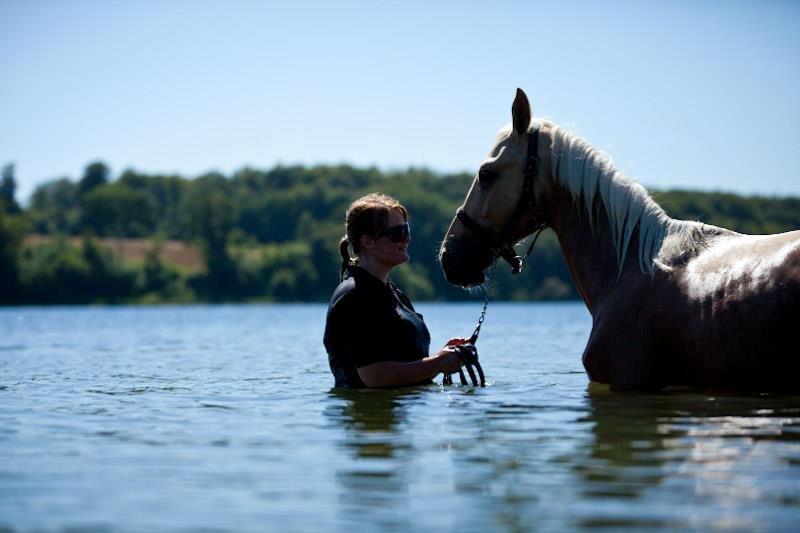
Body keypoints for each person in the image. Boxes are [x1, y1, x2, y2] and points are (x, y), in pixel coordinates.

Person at [323, 192, 475, 388]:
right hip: (369, 415)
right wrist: (438, 363)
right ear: (367, 241)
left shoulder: (392, 293)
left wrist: (444, 355)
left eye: (407, 230)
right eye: (397, 234)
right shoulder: (355, 295)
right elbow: (375, 376)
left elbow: (406, 361)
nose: (407, 239)